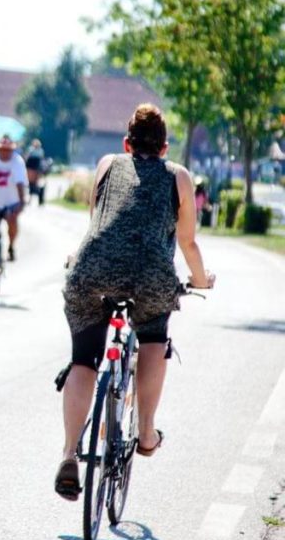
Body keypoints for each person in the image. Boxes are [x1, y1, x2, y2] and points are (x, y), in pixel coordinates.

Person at [54, 103, 215, 501]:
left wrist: (80, 260)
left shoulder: (108, 164)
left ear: (127, 144)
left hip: (93, 271)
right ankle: (145, 433)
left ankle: (70, 453)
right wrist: (200, 279)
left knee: (83, 360)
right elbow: (188, 242)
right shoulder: (179, 177)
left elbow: (97, 222)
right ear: (164, 148)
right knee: (154, 338)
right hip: (150, 277)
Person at [25, 138, 46, 206]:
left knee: (34, 185)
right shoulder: (32, 150)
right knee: (31, 185)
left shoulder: (37, 151)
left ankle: (36, 200)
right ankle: (31, 199)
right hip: (32, 169)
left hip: (35, 169)